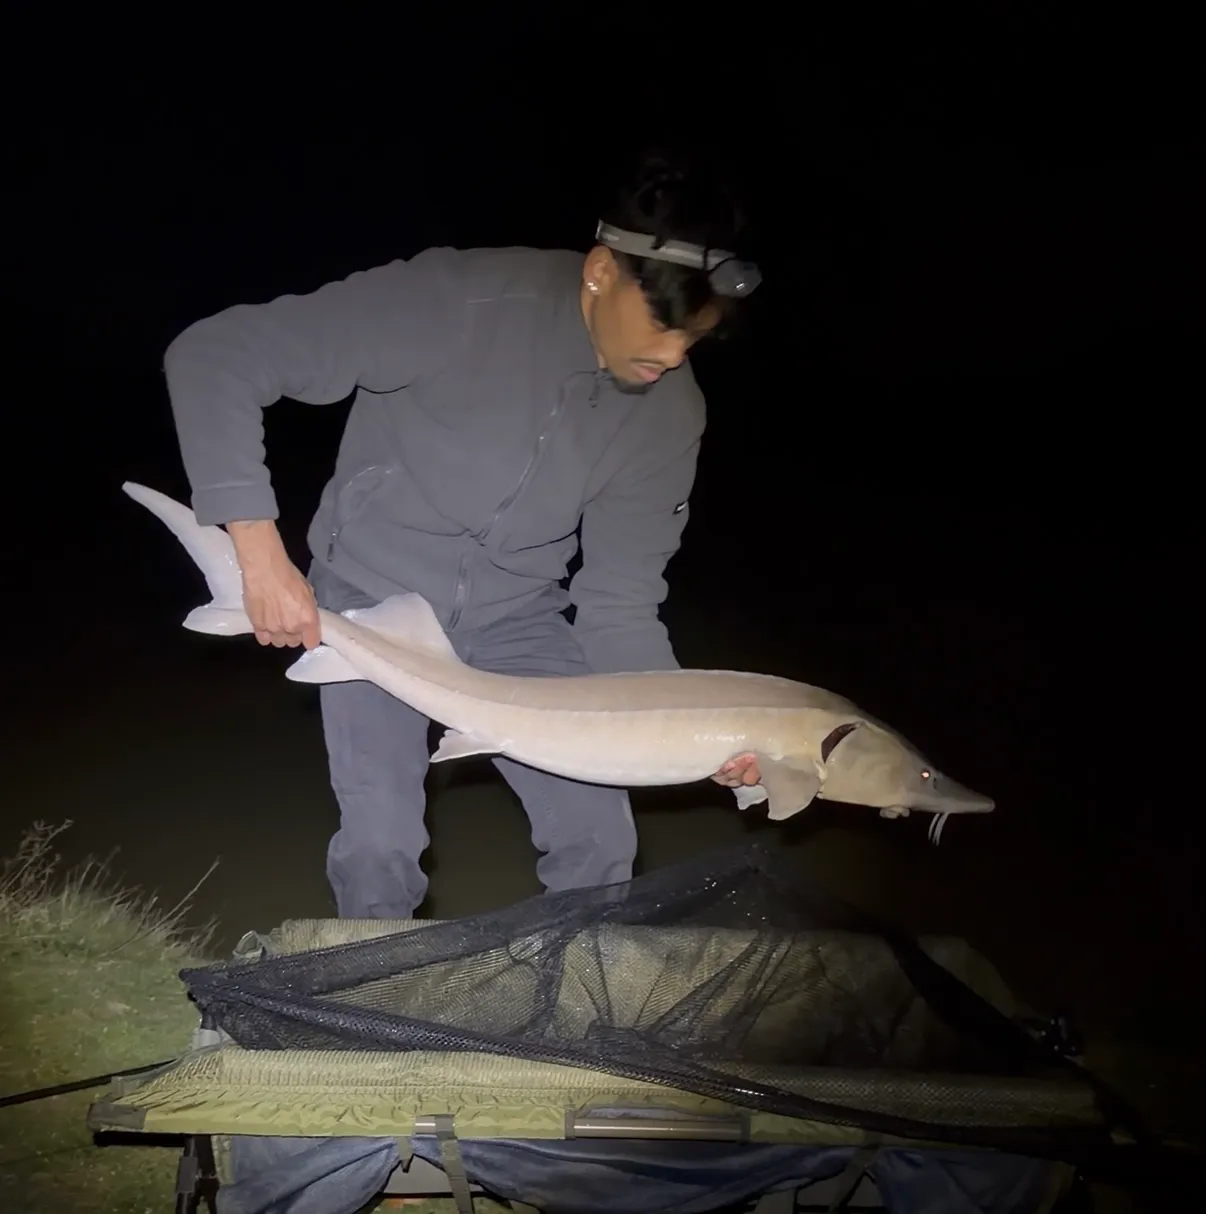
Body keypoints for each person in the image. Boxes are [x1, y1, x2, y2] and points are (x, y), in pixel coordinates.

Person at [162, 148, 763, 919]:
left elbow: (620, 605)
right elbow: (215, 356)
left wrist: (693, 737)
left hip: (520, 622)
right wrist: (260, 555)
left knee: (599, 837)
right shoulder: (457, 301)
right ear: (601, 271)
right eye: (662, 324)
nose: (673, 357)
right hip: (374, 601)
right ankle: (369, 1018)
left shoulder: (671, 412)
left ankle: (574, 1014)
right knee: (380, 844)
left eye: (697, 337)